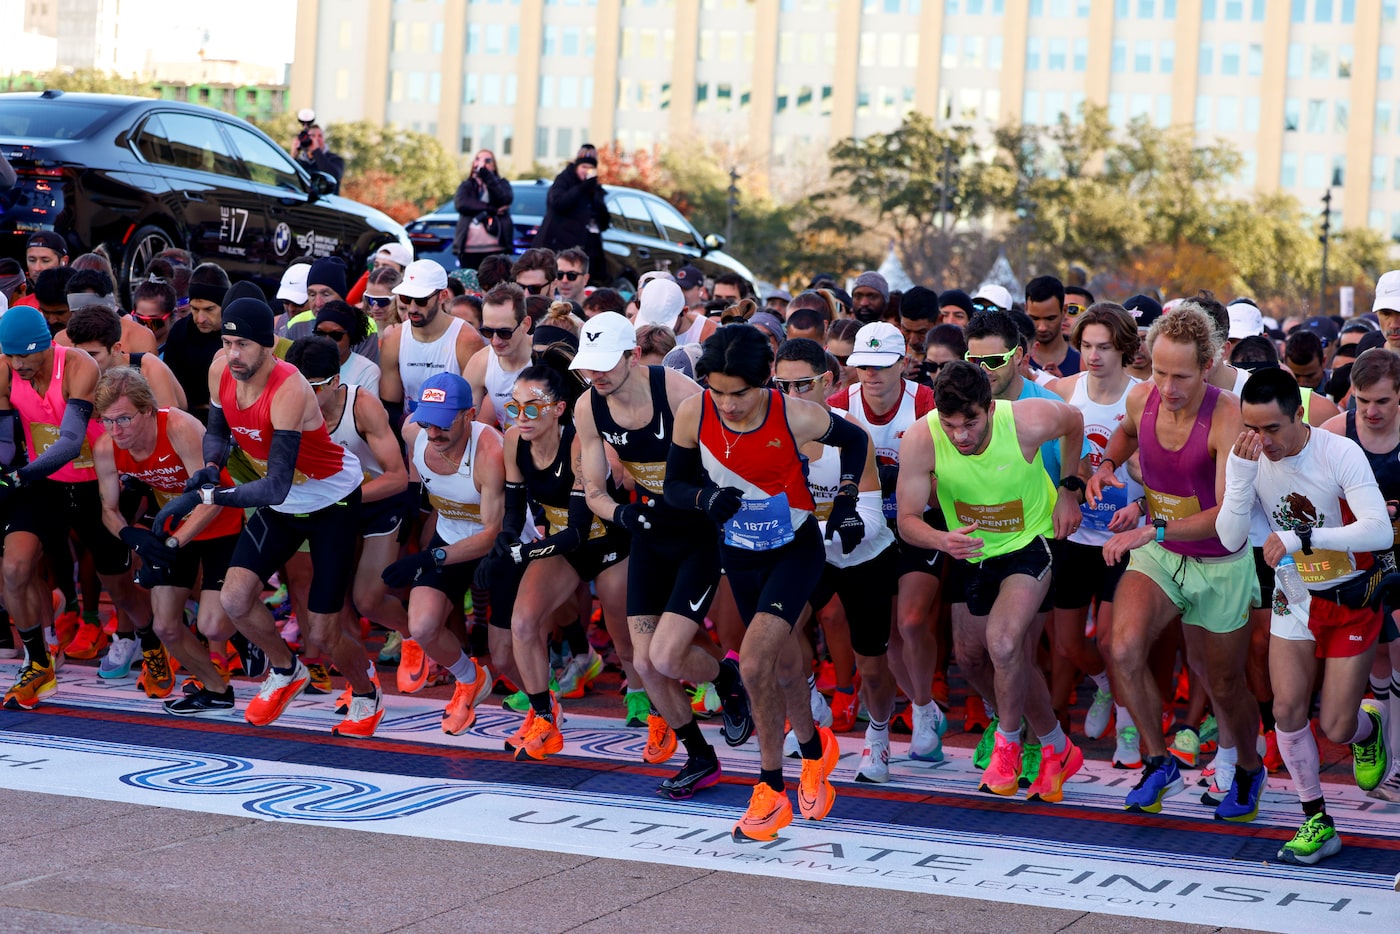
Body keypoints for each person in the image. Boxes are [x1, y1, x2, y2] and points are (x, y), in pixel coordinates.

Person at [666, 325, 869, 839]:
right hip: (738, 550)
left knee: (754, 661)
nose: (728, 405)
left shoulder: (794, 414)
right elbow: (674, 485)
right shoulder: (694, 412)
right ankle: (816, 751)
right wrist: (703, 500)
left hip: (795, 551)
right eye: (717, 390)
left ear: (766, 383)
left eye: (741, 393)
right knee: (783, 662)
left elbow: (856, 441)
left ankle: (771, 791)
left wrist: (845, 501)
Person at [157, 297, 376, 735]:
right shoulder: (222, 368)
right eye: (227, 342)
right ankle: (284, 668)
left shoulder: (290, 387)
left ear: (268, 345)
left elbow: (274, 485)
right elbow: (217, 433)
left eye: (243, 344)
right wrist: (209, 469)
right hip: (285, 502)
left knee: (324, 634)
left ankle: (367, 695)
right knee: (235, 600)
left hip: (330, 501)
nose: (233, 354)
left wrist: (212, 493)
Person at [1086, 305, 1265, 819]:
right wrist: (1106, 466)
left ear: (1207, 365)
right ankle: (1157, 761)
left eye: (1181, 375)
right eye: (1159, 371)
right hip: (1161, 553)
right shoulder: (1142, 396)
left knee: (1224, 683)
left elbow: (1224, 518)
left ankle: (1249, 769)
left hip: (1219, 560)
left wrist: (1150, 525)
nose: (1167, 386)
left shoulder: (1228, 414)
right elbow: (1123, 433)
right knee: (1121, 650)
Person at [1218, 367, 1391, 864]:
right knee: (1286, 709)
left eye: (1273, 428)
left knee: (1337, 726)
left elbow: (1378, 532)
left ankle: (1369, 728)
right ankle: (1315, 817)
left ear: (1299, 415)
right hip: (1294, 588)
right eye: (1252, 428)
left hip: (1351, 594)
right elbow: (1231, 539)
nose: (1262, 440)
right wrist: (1241, 479)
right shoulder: (1247, 457)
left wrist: (1304, 539)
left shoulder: (1339, 451)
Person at [572, 312, 747, 799]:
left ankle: (728, 677)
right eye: (589, 366)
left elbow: (728, 452)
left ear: (632, 356)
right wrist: (620, 516)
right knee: (646, 663)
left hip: (699, 529)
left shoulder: (674, 390)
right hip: (650, 528)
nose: (597, 375)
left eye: (606, 364)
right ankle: (700, 757)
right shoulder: (588, 408)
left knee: (667, 654)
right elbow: (593, 490)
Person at [896, 360, 1087, 802]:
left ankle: (1009, 745)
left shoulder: (1027, 420)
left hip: (1030, 541)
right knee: (972, 657)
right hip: (970, 549)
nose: (960, 435)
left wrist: (1069, 489)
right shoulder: (923, 437)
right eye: (951, 425)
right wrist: (941, 539)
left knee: (1003, 643)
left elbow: (1075, 422)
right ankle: (1058, 746)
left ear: (991, 407)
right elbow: (907, 520)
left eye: (971, 422)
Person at [0, 307, 151, 711]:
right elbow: (5, 445)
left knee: (118, 583)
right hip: (43, 484)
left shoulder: (79, 366)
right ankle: (37, 662)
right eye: (11, 357)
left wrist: (16, 477)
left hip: (92, 482)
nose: (19, 366)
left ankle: (151, 643)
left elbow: (69, 441)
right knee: (14, 569)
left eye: (26, 357)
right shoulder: (5, 369)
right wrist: (6, 472)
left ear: (48, 346)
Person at [775, 338, 900, 782]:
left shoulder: (851, 433)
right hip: (808, 549)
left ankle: (879, 736)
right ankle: (811, 705)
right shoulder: (769, 433)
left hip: (864, 553)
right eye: (782, 385)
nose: (792, 396)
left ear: (827, 382)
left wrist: (842, 525)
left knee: (871, 661)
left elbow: (868, 510)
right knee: (776, 629)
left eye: (803, 384)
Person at [492, 365, 632, 759]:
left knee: (624, 639)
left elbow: (578, 530)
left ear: (558, 409)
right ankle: (543, 718)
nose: (521, 418)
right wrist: (504, 539)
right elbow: (515, 508)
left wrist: (522, 552)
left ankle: (645, 704)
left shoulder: (578, 443)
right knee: (523, 623)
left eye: (533, 409)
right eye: (514, 407)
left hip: (603, 541)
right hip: (561, 544)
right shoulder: (513, 440)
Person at [92, 367, 244, 713]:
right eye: (107, 421)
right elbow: (108, 509)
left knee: (213, 624)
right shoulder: (106, 445)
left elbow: (212, 498)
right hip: (174, 526)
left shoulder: (178, 427)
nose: (116, 431)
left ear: (147, 410)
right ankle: (216, 690)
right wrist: (134, 537)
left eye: (125, 419)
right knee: (165, 626)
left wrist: (172, 543)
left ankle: (247, 626)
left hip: (220, 520)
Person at [287, 336, 412, 694]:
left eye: (313, 388)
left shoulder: (362, 405)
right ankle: (360, 677)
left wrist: (342, 497)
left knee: (368, 599)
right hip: (332, 506)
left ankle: (415, 636)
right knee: (334, 600)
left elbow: (397, 477)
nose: (304, 396)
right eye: (298, 385)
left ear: (335, 383)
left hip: (376, 502)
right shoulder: (290, 405)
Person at [381, 373, 502, 734]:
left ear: (470, 415)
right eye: (427, 422)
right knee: (421, 625)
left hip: (497, 545)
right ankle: (470, 679)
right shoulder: (412, 432)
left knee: (511, 648)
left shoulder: (491, 453)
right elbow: (418, 474)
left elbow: (492, 533)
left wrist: (428, 557)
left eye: (444, 423)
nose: (433, 434)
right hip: (450, 535)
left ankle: (545, 704)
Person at [1049, 304, 1142, 759]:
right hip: (1075, 535)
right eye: (1086, 346)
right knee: (1067, 644)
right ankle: (1103, 684)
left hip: (1125, 538)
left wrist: (1140, 502)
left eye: (1104, 347)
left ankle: (1128, 722)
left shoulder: (1144, 396)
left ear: (1124, 347)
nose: (1093, 355)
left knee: (1110, 640)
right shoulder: (1064, 392)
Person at [1323, 348, 1400, 801]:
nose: (1370, 412)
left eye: (1383, 402)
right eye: (1362, 401)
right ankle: (1381, 746)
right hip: (1354, 563)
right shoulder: (1336, 432)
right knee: (1377, 662)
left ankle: (1397, 761)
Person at [380, 260, 485, 425]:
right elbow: (390, 405)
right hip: (410, 433)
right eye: (406, 298)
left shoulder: (466, 340)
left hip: (453, 433)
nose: (412, 308)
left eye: (421, 300)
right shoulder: (394, 339)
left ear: (442, 296)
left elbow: (473, 406)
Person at [65, 305, 187, 410]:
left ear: (115, 349)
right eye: (80, 353)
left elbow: (168, 423)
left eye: (92, 355)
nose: (85, 361)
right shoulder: (74, 371)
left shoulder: (149, 369)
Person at [163, 263, 231, 422]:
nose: (200, 319)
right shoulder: (180, 332)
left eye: (209, 309)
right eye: (194, 309)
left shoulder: (239, 335)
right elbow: (170, 385)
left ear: (225, 305)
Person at [534, 144, 609, 276]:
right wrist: (582, 189)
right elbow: (559, 204)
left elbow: (604, 221)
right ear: (576, 167)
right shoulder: (564, 181)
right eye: (584, 167)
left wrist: (596, 197)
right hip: (559, 245)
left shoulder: (595, 190)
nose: (587, 171)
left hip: (585, 249)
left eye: (591, 168)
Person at [466, 283, 534, 430]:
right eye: (488, 332)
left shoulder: (546, 355)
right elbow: (469, 425)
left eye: (504, 333)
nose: (495, 341)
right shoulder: (480, 362)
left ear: (525, 325)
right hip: (506, 446)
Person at [454, 150, 514, 271]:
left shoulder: (502, 183)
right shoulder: (467, 185)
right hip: (469, 249)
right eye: (478, 159)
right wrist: (491, 208)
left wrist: (488, 177)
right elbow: (462, 203)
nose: (482, 163)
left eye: (488, 160)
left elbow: (504, 199)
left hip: (495, 247)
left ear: (494, 165)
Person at [313, 300, 380, 396]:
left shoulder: (366, 371)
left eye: (336, 335)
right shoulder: (303, 363)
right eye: (320, 333)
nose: (327, 341)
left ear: (350, 337)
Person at [1025, 275, 1080, 377]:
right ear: (1026, 309)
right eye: (1035, 318)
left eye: (1050, 319)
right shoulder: (1016, 364)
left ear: (1064, 311)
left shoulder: (1083, 365)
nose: (1042, 327)